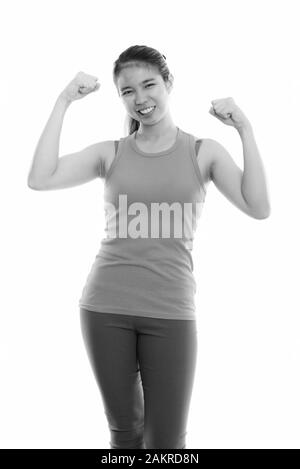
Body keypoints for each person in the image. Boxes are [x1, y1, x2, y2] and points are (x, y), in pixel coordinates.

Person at [27, 44, 271, 449]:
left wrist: (244, 128)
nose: (140, 99)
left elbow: (258, 207)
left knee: (167, 442)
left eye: (149, 85)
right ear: (119, 97)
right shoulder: (112, 152)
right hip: (104, 307)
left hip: (171, 310)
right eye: (127, 91)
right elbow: (40, 177)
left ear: (168, 83)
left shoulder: (202, 151)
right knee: (125, 434)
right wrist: (64, 100)